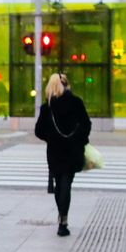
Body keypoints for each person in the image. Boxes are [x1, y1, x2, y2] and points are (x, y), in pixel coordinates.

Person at [34, 73, 91, 237]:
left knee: (59, 184)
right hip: (73, 150)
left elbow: (39, 131)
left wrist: (51, 138)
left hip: (55, 151)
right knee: (67, 183)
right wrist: (79, 139)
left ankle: (62, 217)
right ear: (67, 85)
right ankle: (63, 221)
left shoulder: (48, 107)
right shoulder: (77, 102)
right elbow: (86, 124)